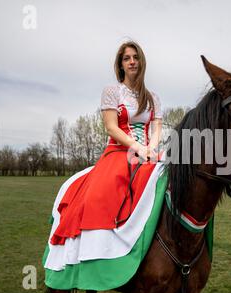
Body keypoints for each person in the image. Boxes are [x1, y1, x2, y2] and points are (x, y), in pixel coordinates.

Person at [43, 41, 163, 278]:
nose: (131, 62)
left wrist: (151, 148)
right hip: (119, 151)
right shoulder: (112, 91)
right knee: (103, 193)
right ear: (120, 65)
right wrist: (138, 147)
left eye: (135, 57)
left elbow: (157, 128)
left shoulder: (153, 97)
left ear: (141, 62)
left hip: (148, 152)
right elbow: (111, 128)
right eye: (126, 58)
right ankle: (99, 250)